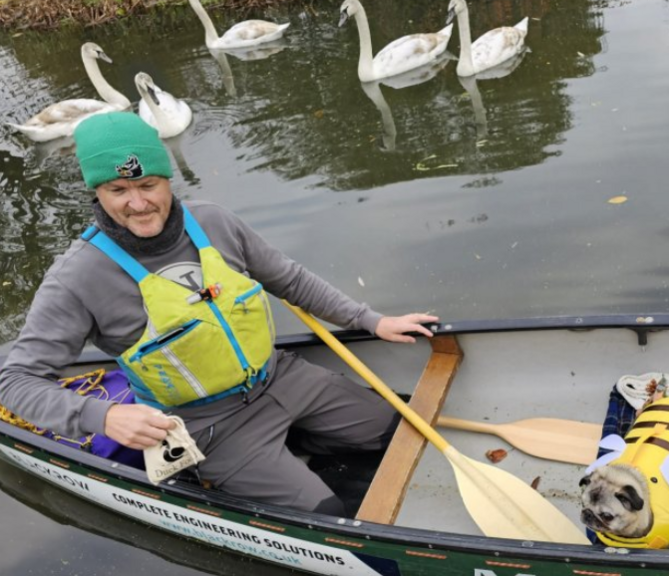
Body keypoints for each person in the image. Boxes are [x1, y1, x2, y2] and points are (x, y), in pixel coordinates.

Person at [0, 112, 438, 515]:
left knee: (396, 432)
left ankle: (295, 440)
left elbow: (290, 280)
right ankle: (219, 470)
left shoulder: (215, 222)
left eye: (148, 185)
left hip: (279, 378)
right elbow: (15, 381)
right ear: (97, 191)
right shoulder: (78, 277)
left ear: (168, 179)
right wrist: (105, 417)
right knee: (328, 515)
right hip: (205, 425)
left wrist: (370, 320)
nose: (137, 204)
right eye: (118, 190)